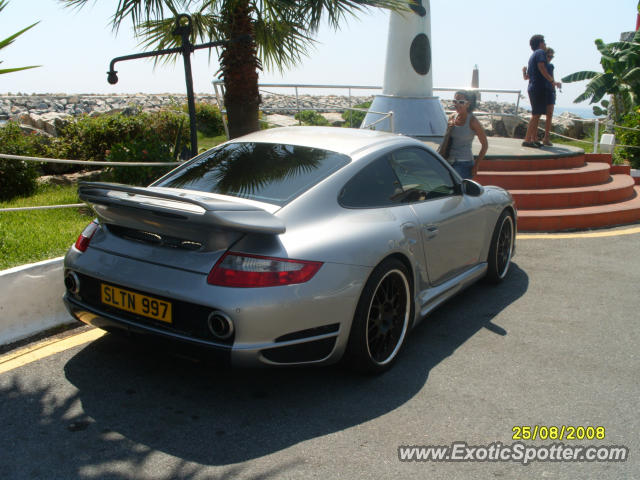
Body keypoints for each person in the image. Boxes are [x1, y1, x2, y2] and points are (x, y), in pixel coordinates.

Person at [522, 35, 561, 148]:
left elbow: (530, 74)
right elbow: (541, 67)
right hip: (537, 88)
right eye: (544, 42)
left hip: (534, 87)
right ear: (540, 43)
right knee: (536, 115)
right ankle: (527, 140)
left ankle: (532, 139)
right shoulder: (540, 53)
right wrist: (552, 80)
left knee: (537, 114)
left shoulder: (533, 55)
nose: (545, 44)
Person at [447, 90, 488, 179]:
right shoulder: (452, 118)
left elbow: (485, 145)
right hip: (448, 161)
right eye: (455, 101)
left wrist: (476, 166)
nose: (457, 104)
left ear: (468, 104)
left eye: (461, 102)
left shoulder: (473, 121)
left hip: (464, 163)